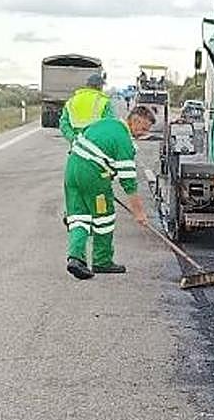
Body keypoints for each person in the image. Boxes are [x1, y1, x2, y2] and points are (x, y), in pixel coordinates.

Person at [63, 106, 153, 280]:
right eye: (143, 129)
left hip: (71, 170)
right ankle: (102, 261)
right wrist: (139, 212)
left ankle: (75, 258)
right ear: (135, 121)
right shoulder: (124, 140)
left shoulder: (106, 123)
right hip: (93, 176)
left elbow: (81, 138)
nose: (143, 134)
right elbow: (128, 182)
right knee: (104, 217)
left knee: (79, 217)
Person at [59, 72, 114, 144]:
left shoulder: (72, 101)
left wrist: (73, 138)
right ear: (100, 86)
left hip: (76, 144)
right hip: (96, 143)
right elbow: (109, 124)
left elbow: (64, 124)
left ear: (87, 85)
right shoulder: (104, 101)